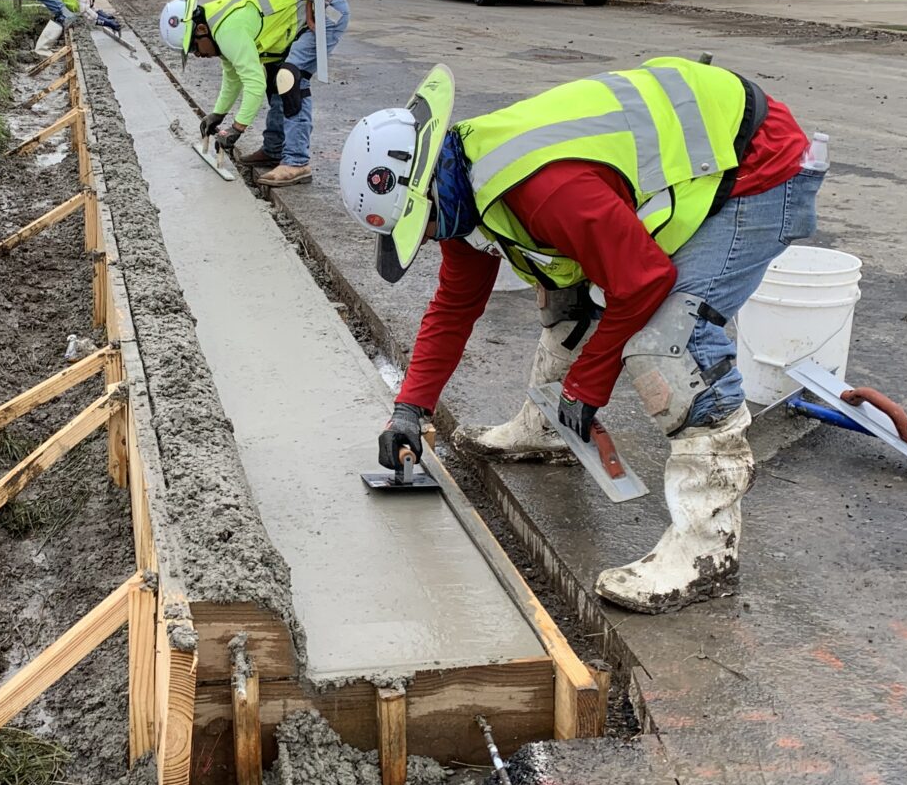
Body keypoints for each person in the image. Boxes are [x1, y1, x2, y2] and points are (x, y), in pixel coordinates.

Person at [338, 57, 821, 614]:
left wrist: (588, 386)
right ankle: (543, 429)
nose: (419, 240)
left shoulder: (543, 191)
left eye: (413, 226)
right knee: (562, 286)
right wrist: (410, 408)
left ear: (426, 189)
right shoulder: (458, 185)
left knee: (669, 343)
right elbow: (453, 306)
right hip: (702, 154)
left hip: (760, 167)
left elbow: (642, 283)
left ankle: (707, 553)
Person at [162, 0, 348, 188]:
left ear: (201, 30)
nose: (197, 55)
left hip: (325, 11)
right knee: (276, 81)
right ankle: (274, 150)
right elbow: (233, 78)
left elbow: (253, 84)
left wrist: (237, 129)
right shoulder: (217, 26)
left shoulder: (228, 30)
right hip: (304, 16)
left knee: (291, 80)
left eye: (194, 48)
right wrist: (217, 114)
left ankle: (297, 163)